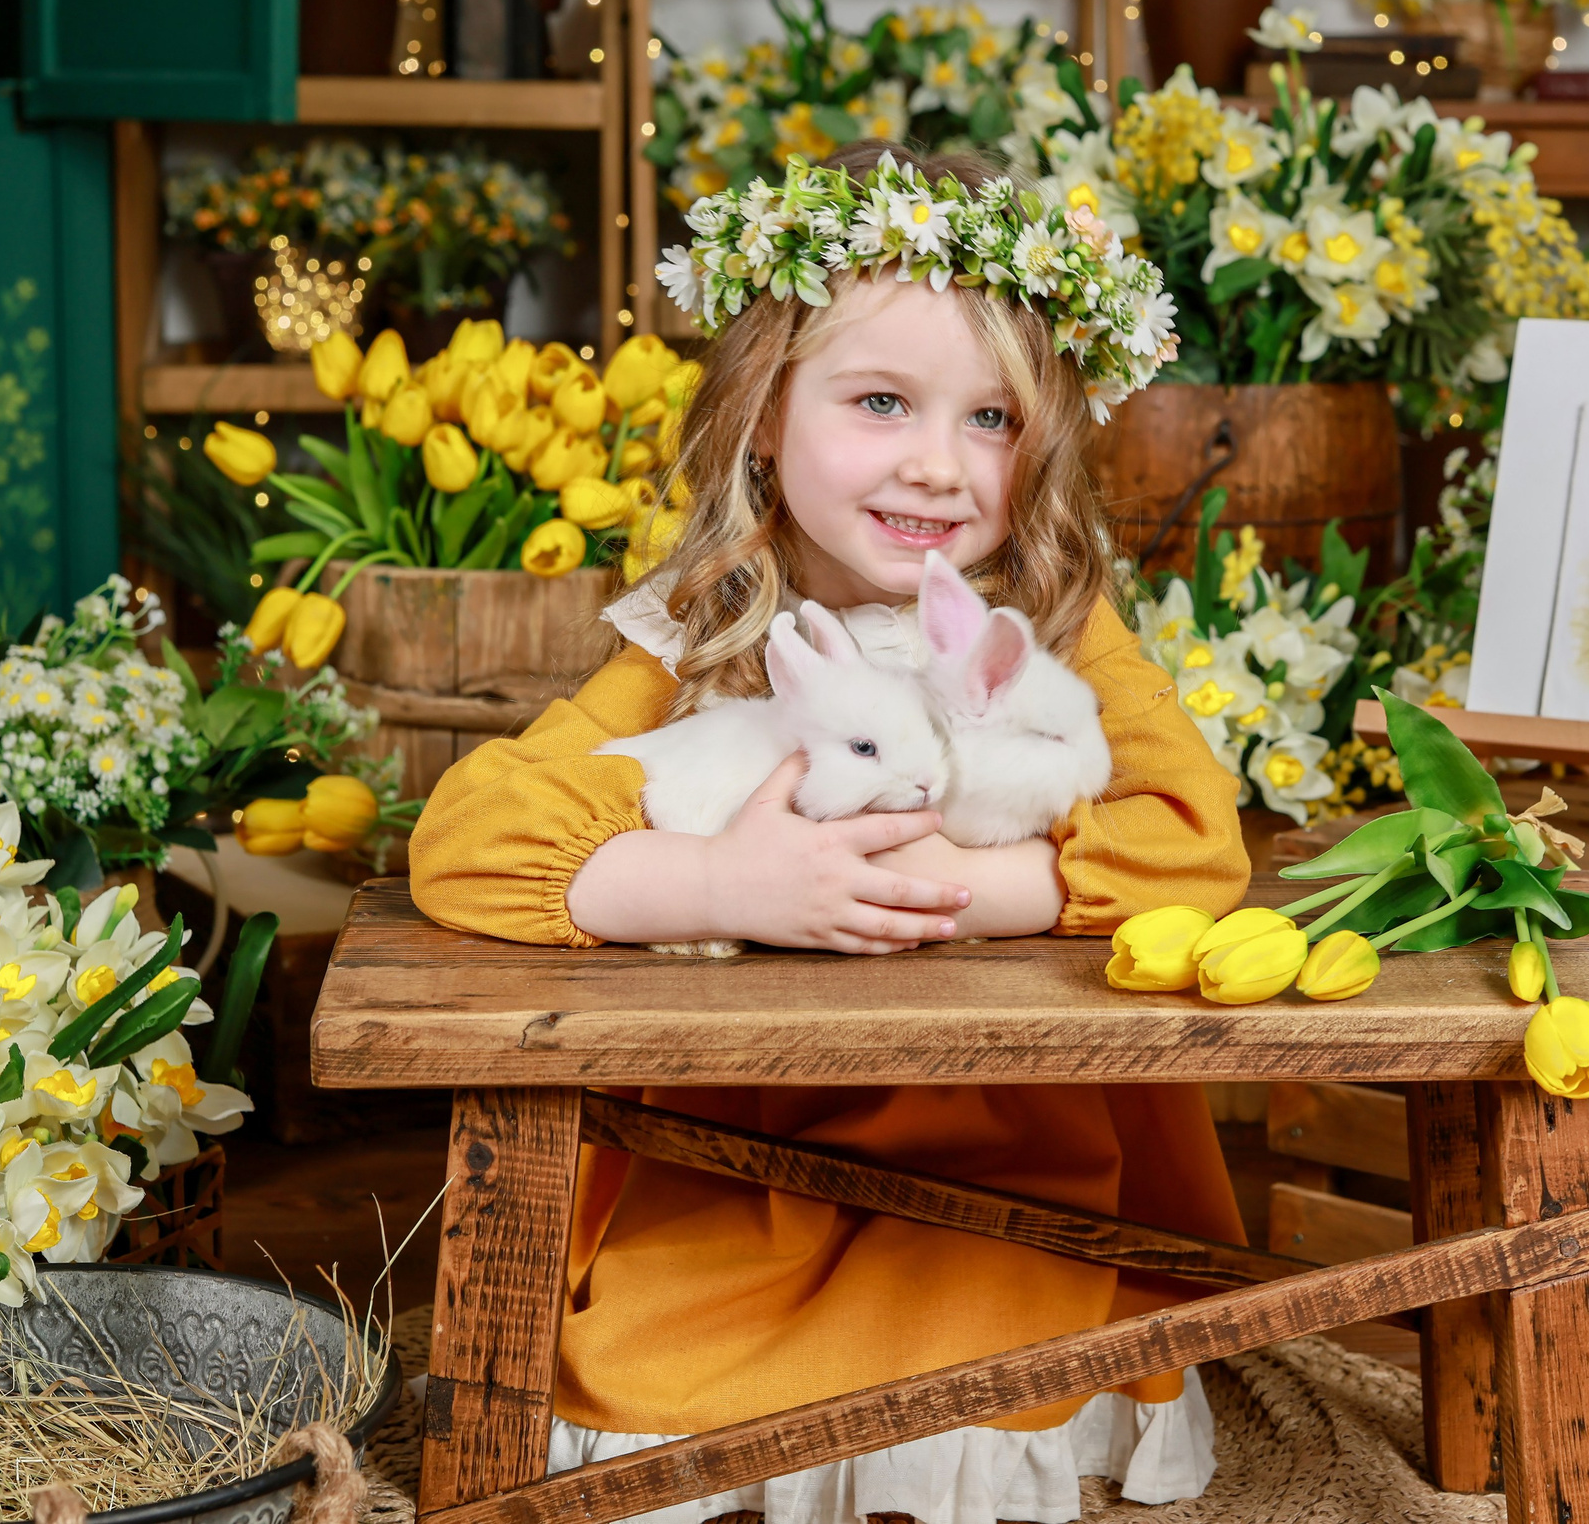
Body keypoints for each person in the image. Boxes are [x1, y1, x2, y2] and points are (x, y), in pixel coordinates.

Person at [408, 143, 1251, 1524]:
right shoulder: (704, 621)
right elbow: (471, 841)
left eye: (991, 418)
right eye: (880, 400)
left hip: (997, 1148)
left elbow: (1193, 842)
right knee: (633, 1357)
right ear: (761, 412)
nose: (938, 464)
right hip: (739, 1147)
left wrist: (953, 885)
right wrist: (724, 878)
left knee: (981, 1338)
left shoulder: (1041, 623)